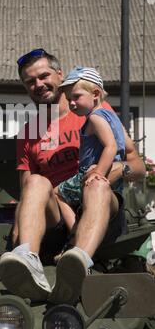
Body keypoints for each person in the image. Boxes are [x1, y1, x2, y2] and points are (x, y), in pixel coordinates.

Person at [0, 48, 145, 304]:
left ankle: (79, 262)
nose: (39, 84)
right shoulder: (29, 131)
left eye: (44, 76)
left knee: (97, 187)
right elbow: (28, 189)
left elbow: (137, 165)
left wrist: (117, 170)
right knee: (36, 181)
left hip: (100, 208)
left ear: (59, 74)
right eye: (30, 81)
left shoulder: (96, 112)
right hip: (57, 214)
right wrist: (20, 227)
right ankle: (28, 258)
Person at [54, 66, 126, 234]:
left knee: (56, 193)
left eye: (77, 97)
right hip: (115, 176)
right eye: (69, 98)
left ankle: (75, 232)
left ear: (95, 94)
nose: (71, 103)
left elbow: (111, 146)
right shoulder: (111, 115)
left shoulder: (94, 118)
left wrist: (98, 172)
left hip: (93, 171)